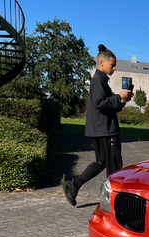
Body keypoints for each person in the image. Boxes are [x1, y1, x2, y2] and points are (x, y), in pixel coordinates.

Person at [62, 44, 133, 207]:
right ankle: (115, 202)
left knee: (101, 162)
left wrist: (121, 101)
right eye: (112, 65)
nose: (114, 68)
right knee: (114, 165)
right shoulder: (98, 81)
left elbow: (106, 105)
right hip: (106, 131)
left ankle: (73, 185)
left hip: (102, 129)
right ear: (101, 63)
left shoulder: (101, 81)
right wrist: (118, 97)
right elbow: (100, 103)